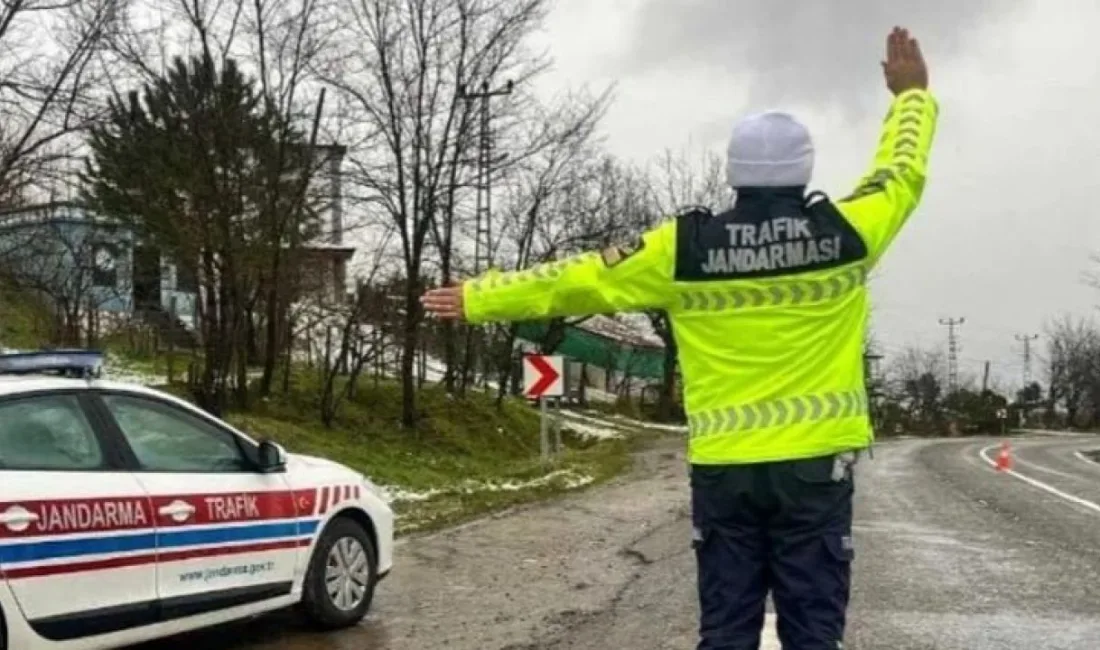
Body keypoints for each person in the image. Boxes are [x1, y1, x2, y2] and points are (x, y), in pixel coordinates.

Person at [422, 26, 937, 650]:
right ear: (804, 173)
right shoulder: (849, 234)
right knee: (814, 634)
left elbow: (577, 279)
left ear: (734, 174)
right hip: (815, 468)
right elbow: (900, 173)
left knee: (725, 631)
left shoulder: (682, 248)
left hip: (725, 470)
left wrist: (481, 297)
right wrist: (911, 97)